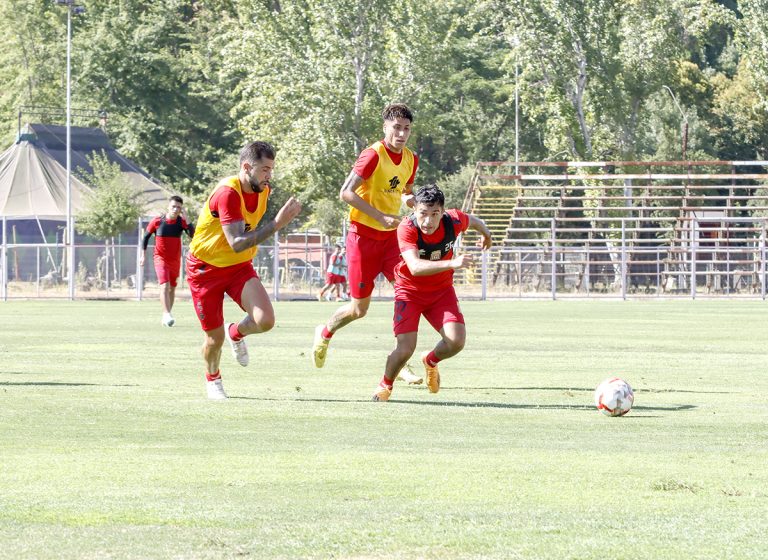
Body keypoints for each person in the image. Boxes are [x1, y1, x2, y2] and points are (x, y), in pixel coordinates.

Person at [312, 103, 422, 385]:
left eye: (406, 128)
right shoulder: (372, 155)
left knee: (409, 292)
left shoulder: (411, 158)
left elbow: (404, 193)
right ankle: (325, 332)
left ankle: (402, 359)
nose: (401, 133)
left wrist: (413, 202)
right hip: (362, 237)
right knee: (359, 309)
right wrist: (380, 215)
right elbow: (345, 192)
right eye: (396, 127)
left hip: (390, 240)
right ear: (385, 127)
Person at [186, 141, 302, 400]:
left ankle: (235, 332)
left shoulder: (264, 189)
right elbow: (237, 243)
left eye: (271, 169)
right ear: (246, 167)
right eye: (264, 169)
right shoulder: (228, 193)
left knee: (266, 321)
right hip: (206, 270)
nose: (269, 175)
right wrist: (277, 223)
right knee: (213, 339)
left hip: (238, 267)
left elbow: (242, 245)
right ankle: (213, 379)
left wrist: (276, 223)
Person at [372, 184, 492, 402]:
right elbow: (415, 267)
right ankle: (385, 385)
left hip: (441, 292)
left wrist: (487, 234)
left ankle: (430, 360)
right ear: (414, 210)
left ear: (443, 212)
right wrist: (453, 263)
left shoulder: (453, 221)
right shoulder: (406, 228)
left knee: (456, 342)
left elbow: (474, 221)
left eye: (434, 214)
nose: (428, 221)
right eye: (423, 214)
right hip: (410, 291)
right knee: (405, 349)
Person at [140, 195, 195, 327]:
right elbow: (146, 237)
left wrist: (186, 217)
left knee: (172, 288)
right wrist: (143, 255)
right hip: (160, 258)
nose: (176, 209)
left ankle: (167, 314)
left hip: (175, 260)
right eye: (173, 206)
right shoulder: (157, 221)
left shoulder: (181, 222)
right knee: (164, 285)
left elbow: (193, 234)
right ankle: (166, 314)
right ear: (168, 207)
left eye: (179, 207)